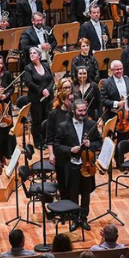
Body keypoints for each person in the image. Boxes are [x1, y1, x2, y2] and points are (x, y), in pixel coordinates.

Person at [57, 99, 102, 231]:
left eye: (84, 110)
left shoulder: (91, 124)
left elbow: (99, 142)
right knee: (73, 193)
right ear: (73, 111)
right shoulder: (64, 126)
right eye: (80, 111)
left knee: (86, 193)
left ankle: (84, 218)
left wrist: (91, 145)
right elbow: (58, 145)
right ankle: (75, 218)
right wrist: (70, 150)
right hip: (72, 165)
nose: (83, 113)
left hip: (87, 165)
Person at [23, 47, 54, 148]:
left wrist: (48, 90)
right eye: (30, 53)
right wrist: (42, 91)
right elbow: (29, 83)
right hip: (36, 98)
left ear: (39, 55)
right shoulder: (28, 68)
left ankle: (46, 139)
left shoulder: (45, 65)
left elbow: (51, 80)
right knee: (37, 121)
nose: (31, 54)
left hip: (48, 98)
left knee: (47, 119)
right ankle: (37, 142)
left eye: (34, 53)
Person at [48, 83, 74, 200]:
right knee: (63, 182)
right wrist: (51, 154)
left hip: (73, 152)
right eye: (70, 100)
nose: (73, 103)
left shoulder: (74, 113)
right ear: (63, 100)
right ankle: (64, 207)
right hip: (60, 153)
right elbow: (50, 137)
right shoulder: (54, 114)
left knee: (73, 184)